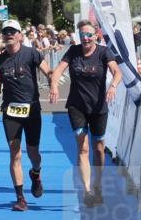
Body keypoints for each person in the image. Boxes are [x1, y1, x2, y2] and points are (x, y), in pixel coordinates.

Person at [49, 20, 122, 207]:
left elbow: (117, 72)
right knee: (83, 148)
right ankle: (87, 191)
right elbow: (57, 70)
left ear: (96, 35)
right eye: (82, 35)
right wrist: (54, 85)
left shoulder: (104, 52)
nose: (86, 38)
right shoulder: (73, 52)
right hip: (77, 106)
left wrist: (113, 86)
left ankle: (98, 185)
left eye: (89, 35)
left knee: (98, 148)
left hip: (98, 107)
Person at [0, 19, 52, 211]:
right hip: (11, 111)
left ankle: (36, 173)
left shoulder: (31, 53)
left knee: (33, 152)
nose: (9, 34)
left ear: (19, 35)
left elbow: (49, 71)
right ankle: (20, 198)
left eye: (12, 31)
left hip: (32, 109)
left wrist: (53, 83)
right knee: (15, 152)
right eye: (6, 32)